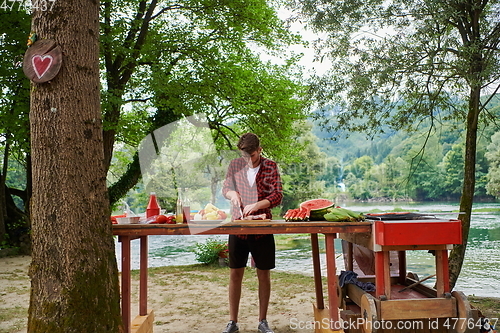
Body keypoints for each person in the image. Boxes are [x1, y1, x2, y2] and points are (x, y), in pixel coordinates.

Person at [221, 133, 283, 333]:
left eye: (252, 156)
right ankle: (233, 322)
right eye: (245, 156)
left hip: (262, 228)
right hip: (237, 227)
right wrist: (233, 195)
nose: (248, 161)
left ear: (259, 150)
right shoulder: (235, 165)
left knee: (263, 275)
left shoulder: (270, 166)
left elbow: (277, 195)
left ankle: (262, 321)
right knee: (235, 274)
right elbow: (226, 188)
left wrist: (257, 204)